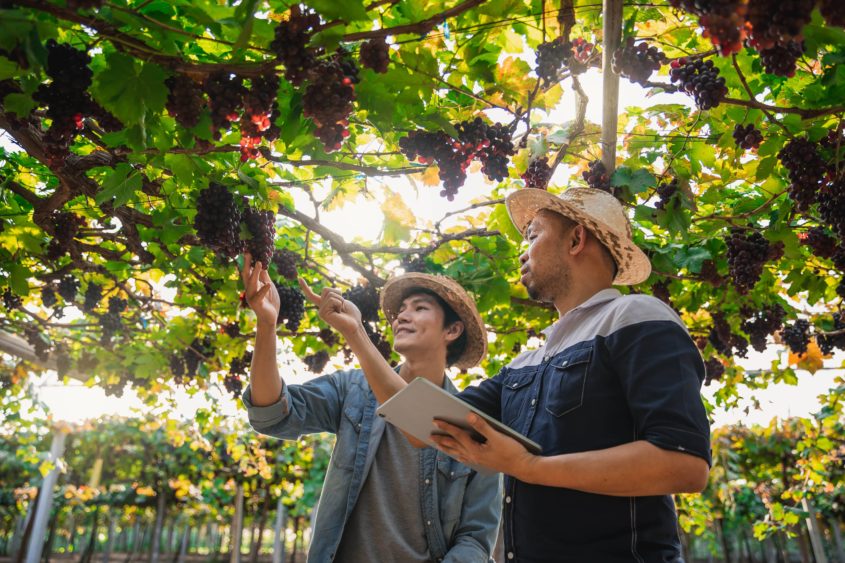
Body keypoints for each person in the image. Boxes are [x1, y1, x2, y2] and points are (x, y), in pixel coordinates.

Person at [326, 187, 712, 562]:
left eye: (533, 236)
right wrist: (357, 335)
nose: (522, 253)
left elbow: (684, 464)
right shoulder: (525, 363)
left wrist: (528, 467)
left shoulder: (636, 317)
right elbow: (419, 423)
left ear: (576, 239)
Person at [239, 255, 502, 563]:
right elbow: (272, 413)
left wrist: (356, 333)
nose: (402, 316)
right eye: (401, 310)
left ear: (452, 330)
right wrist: (266, 325)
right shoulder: (353, 389)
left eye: (419, 308)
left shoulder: (472, 425)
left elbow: (475, 538)